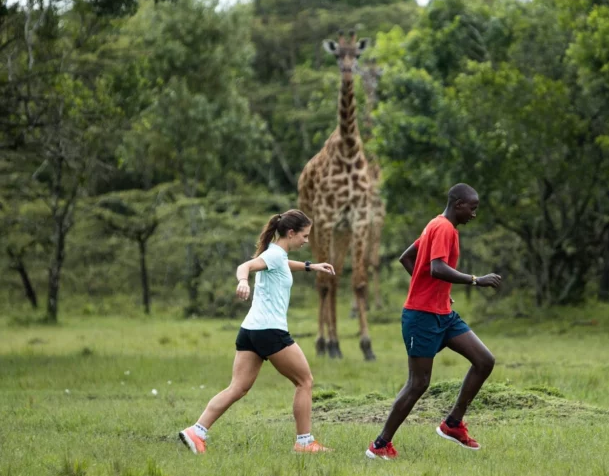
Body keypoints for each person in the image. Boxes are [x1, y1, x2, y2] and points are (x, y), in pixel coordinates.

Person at [179, 209, 336, 455]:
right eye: (304, 235)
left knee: (238, 388)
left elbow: (282, 264)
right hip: (270, 331)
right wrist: (243, 281)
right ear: (291, 233)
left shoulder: (276, 255)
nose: (306, 240)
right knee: (304, 382)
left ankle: (196, 432)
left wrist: (310, 266)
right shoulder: (273, 256)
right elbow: (246, 266)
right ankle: (305, 443)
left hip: (250, 330)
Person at [366, 183, 502, 460]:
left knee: (484, 360)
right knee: (418, 383)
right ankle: (380, 445)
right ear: (458, 204)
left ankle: (453, 424)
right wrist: (476, 280)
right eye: (472, 208)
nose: (474, 214)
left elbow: (409, 258)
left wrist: (434, 290)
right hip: (422, 318)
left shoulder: (437, 225)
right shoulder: (443, 228)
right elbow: (437, 268)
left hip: (444, 316)